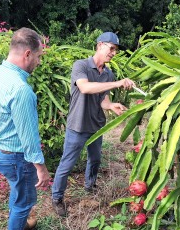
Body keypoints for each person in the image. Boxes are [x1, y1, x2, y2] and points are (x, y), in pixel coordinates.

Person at [51, 32, 135, 217]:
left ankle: (90, 186)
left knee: (95, 159)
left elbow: (103, 100)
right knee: (67, 163)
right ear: (99, 45)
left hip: (97, 125)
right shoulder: (80, 66)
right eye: (111, 48)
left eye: (116, 50)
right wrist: (117, 83)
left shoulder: (108, 73)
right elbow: (85, 87)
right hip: (78, 125)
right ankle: (57, 198)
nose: (113, 53)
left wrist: (111, 106)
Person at [0, 27, 50, 230]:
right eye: (39, 56)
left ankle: (19, 224)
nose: (39, 62)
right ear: (28, 54)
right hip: (16, 156)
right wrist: (40, 167)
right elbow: (29, 137)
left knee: (17, 190)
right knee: (25, 199)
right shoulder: (20, 89)